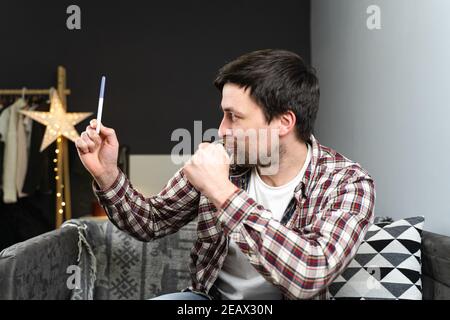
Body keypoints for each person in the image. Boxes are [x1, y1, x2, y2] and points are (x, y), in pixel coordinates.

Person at [75, 49, 376, 300]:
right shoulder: (223, 159)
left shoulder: (346, 182)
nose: (221, 129)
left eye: (234, 116)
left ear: (284, 122)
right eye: (223, 114)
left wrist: (222, 192)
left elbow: (311, 275)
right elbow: (151, 222)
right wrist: (107, 174)